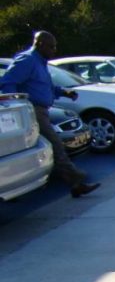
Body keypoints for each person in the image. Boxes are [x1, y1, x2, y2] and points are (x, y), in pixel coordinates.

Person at [0, 31, 99, 197]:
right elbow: (8, 83)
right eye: (51, 47)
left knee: (48, 147)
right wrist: (17, 109)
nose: (54, 50)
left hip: (43, 110)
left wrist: (64, 92)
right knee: (56, 144)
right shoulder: (28, 61)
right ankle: (76, 179)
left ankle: (75, 185)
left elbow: (44, 87)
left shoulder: (41, 63)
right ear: (40, 45)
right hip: (33, 111)